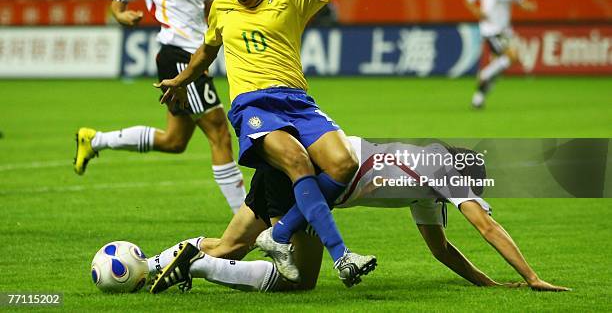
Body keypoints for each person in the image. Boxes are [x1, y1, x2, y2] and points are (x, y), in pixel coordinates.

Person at [156, 0, 393, 286]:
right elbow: (207, 50)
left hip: (298, 102)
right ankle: (343, 258)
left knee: (344, 164)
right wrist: (182, 79)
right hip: (254, 107)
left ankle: (276, 235)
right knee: (298, 162)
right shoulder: (222, 7)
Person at [147, 136, 569, 294]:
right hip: (306, 175)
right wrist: (532, 279)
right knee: (300, 280)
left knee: (230, 247)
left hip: (295, 161)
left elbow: (441, 249)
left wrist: (490, 284)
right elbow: (486, 225)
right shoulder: (445, 172)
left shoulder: (427, 178)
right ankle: (199, 269)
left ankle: (152, 265)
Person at [73, 0, 245, 214]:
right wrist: (121, 16)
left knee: (174, 141)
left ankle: (94, 140)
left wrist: (219, 0)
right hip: (176, 54)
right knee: (220, 132)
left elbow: (206, 10)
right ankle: (251, 224)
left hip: (196, 54)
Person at [465, 0, 537, 109]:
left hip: (505, 29)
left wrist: (528, 6)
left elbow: (519, 0)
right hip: (490, 29)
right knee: (512, 56)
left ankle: (478, 99)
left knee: (500, 66)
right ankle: (484, 75)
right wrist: (476, 11)